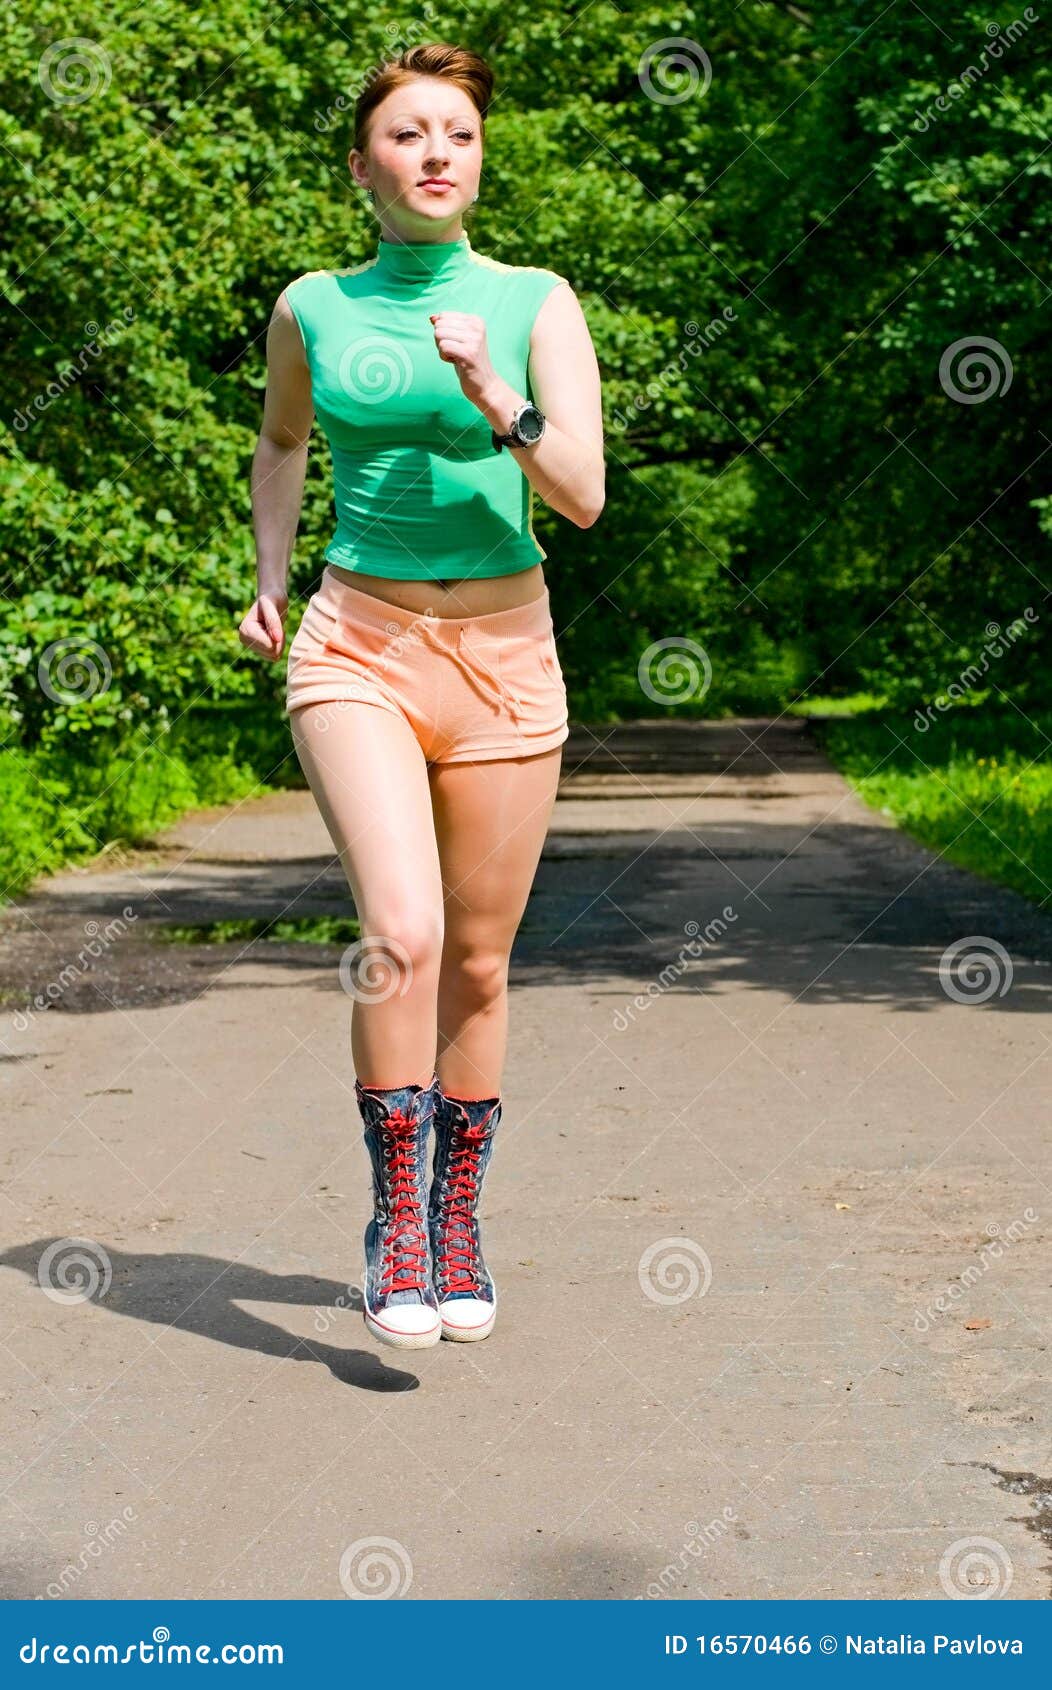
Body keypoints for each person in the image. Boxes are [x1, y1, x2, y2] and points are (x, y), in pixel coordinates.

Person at [238, 41, 604, 1351]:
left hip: (506, 656)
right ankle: (396, 1211)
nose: (436, 151)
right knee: (401, 928)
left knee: (485, 959)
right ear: (364, 165)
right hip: (359, 641)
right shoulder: (314, 307)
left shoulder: (534, 301)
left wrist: (493, 393)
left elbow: (582, 493)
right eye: (407, 134)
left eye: (456, 131)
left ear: (479, 158)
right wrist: (271, 577)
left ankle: (459, 1217)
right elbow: (282, 439)